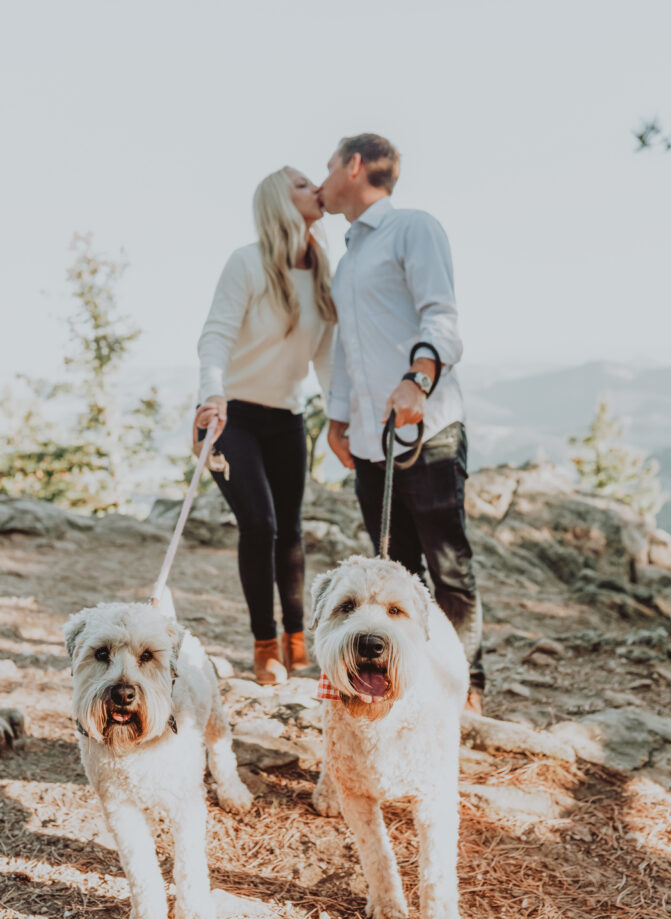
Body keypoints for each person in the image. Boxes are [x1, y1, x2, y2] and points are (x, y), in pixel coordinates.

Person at [318, 133, 485, 712]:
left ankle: (464, 688)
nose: (325, 175)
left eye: (330, 163)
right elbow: (346, 348)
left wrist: (418, 379)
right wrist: (337, 418)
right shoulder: (349, 258)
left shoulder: (413, 227)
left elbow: (442, 314)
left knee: (447, 567)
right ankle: (403, 683)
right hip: (368, 440)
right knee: (396, 575)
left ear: (355, 165)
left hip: (427, 428)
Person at [195, 167, 335, 683]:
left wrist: (341, 417)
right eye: (302, 184)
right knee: (261, 526)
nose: (316, 187)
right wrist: (209, 396)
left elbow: (327, 358)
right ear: (279, 201)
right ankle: (264, 646)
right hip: (232, 414)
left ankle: (298, 640)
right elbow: (214, 336)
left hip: (287, 418)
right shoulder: (247, 262)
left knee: (290, 532)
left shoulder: (323, 269)